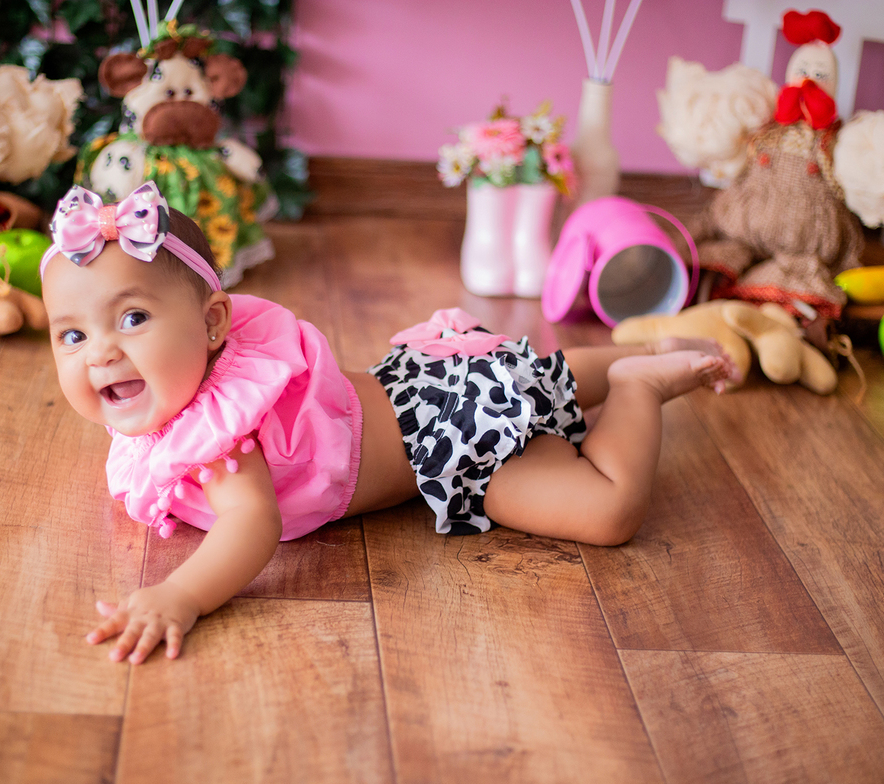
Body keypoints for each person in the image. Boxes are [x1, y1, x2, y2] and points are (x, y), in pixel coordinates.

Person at [40, 182, 737, 665]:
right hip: (427, 385)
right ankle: (641, 351)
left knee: (607, 510)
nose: (101, 352)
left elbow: (251, 525)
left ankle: (639, 383)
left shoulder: (224, 431)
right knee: (532, 375)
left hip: (449, 445)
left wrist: (178, 595)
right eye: (71, 336)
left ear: (213, 323)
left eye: (133, 319)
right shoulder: (171, 394)